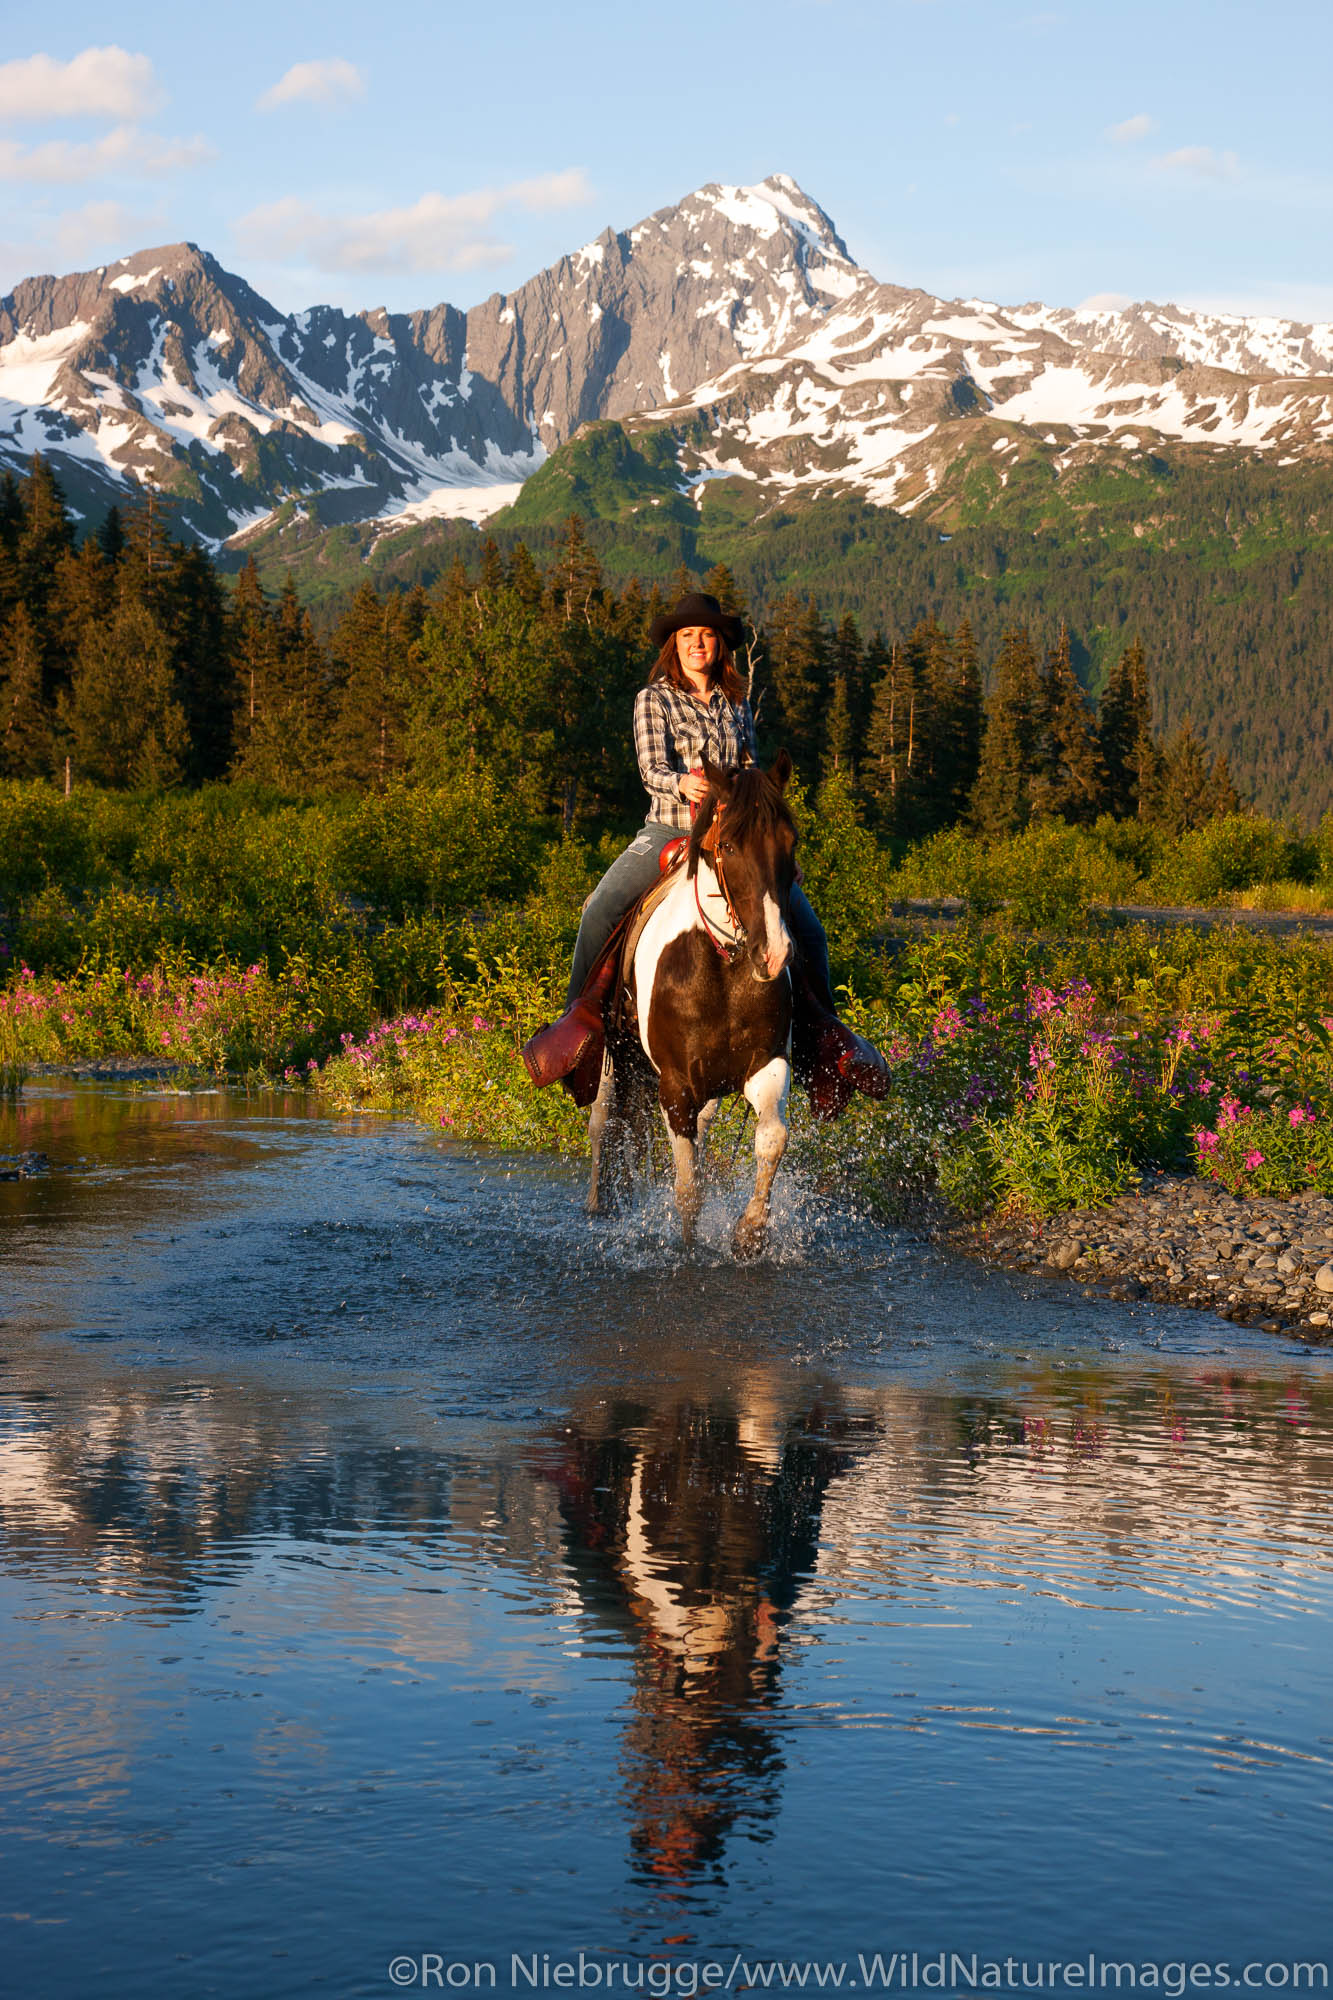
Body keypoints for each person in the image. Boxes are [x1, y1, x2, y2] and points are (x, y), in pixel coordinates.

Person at [522, 591, 888, 1110]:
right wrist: (684, 786)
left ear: (721, 645)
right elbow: (651, 769)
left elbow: (752, 777)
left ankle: (822, 1043)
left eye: (708, 635)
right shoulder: (653, 699)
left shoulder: (736, 702)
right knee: (598, 910)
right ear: (676, 643)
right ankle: (580, 1031)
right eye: (689, 635)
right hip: (668, 830)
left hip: (733, 839)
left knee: (809, 932)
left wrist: (766, 832)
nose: (699, 643)